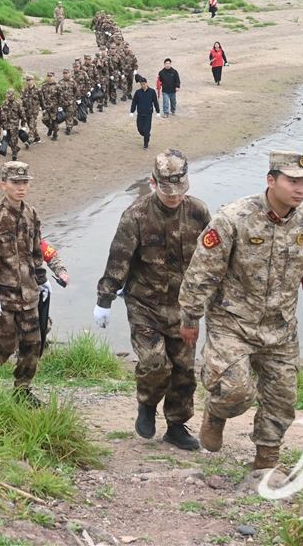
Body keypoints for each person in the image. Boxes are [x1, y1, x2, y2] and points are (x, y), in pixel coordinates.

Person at [178, 151, 303, 471]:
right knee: (236, 392)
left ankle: (266, 461)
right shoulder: (234, 218)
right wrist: (190, 315)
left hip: (280, 326)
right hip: (232, 322)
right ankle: (216, 413)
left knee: (282, 400)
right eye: (292, 181)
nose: (300, 189)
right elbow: (202, 270)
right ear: (271, 180)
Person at [94, 150, 210, 450]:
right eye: (167, 191)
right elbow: (118, 258)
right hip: (144, 303)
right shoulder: (136, 215)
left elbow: (212, 260)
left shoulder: (198, 212)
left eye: (180, 191)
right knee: (155, 363)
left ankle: (176, 425)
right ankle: (146, 405)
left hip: (184, 308)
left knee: (184, 371)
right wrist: (104, 299)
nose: (174, 197)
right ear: (153, 183)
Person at [0, 161, 48, 406]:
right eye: (16, 182)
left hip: (28, 295)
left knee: (33, 345)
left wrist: (42, 279)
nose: (21, 187)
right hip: (2, 295)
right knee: (1, 347)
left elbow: (36, 251)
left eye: (25, 182)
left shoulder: (31, 214)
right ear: (3, 184)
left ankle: (22, 390)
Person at [130, 75, 160, 150]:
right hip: (140, 114)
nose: (143, 85)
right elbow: (134, 102)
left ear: (146, 83)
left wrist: (158, 111)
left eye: (144, 84)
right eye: (141, 84)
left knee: (146, 130)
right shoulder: (138, 92)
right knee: (140, 129)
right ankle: (146, 135)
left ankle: (145, 144)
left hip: (148, 114)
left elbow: (155, 102)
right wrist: (132, 111)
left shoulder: (152, 92)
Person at [21, 74, 42, 144]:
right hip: (27, 111)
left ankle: (29, 139)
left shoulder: (38, 90)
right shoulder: (24, 90)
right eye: (27, 80)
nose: (28, 81)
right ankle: (37, 138)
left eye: (30, 80)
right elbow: (22, 100)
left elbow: (42, 99)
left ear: (33, 80)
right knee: (31, 126)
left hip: (34, 111)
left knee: (32, 125)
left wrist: (43, 108)